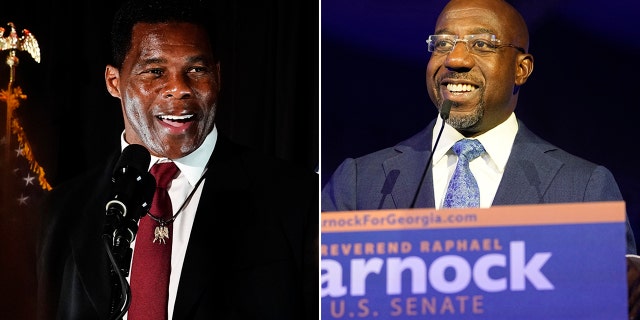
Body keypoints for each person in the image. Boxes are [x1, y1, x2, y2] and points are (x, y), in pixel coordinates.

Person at [35, 0, 318, 319]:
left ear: (218, 76)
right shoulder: (64, 209)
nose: (179, 89)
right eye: (155, 71)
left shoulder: (298, 197)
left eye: (196, 70)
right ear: (114, 82)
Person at [321, 0, 636, 254]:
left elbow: (608, 300)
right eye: (443, 44)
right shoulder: (359, 182)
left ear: (521, 69)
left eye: (482, 44)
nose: (455, 59)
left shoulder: (583, 188)